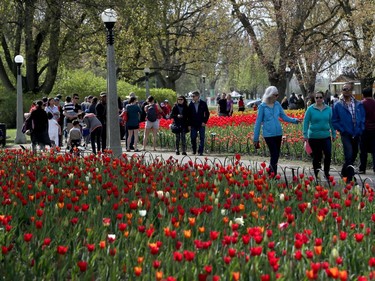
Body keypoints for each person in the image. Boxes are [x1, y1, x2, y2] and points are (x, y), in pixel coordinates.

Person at [253, 86, 301, 175]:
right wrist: (255, 138)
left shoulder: (277, 105)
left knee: (276, 155)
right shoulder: (262, 107)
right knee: (274, 153)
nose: (277, 97)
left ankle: (270, 172)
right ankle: (273, 174)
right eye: (275, 95)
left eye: (277, 95)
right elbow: (258, 122)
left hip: (278, 133)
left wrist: (295, 120)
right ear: (270, 95)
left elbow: (284, 116)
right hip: (268, 134)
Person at [332, 82, 365, 182]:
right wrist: (342, 129)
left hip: (357, 132)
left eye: (348, 89)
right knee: (349, 154)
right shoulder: (337, 105)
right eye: (344, 89)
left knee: (354, 154)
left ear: (351, 91)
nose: (346, 91)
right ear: (342, 91)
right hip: (346, 133)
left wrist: (361, 128)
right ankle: (350, 178)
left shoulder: (358, 104)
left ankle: (344, 172)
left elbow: (363, 118)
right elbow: (334, 120)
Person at [303, 91, 336, 179]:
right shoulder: (310, 109)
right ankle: (317, 173)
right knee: (317, 156)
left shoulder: (328, 109)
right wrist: (305, 135)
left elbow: (331, 122)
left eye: (320, 97)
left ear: (323, 98)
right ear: (314, 99)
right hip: (314, 137)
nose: (319, 99)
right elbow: (305, 122)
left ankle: (326, 172)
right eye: (317, 98)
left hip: (326, 136)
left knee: (328, 154)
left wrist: (334, 133)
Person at [187, 91, 210, 156]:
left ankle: (200, 151)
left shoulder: (203, 103)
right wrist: (189, 124)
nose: (192, 98)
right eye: (192, 96)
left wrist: (204, 122)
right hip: (193, 124)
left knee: (202, 138)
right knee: (193, 137)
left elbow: (207, 113)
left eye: (193, 96)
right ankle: (194, 150)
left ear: (197, 96)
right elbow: (188, 115)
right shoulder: (191, 104)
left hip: (201, 123)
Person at [359, 88, 375, 174]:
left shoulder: (362, 104)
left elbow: (359, 116)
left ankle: (362, 168)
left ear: (363, 94)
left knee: (363, 150)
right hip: (374, 129)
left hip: (364, 129)